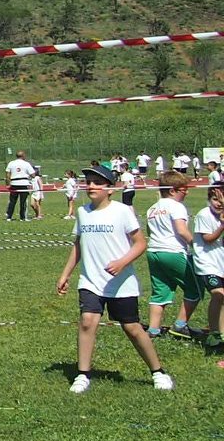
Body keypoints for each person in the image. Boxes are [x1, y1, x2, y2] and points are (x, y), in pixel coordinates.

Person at [55, 164, 174, 393]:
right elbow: (78, 246)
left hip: (121, 284)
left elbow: (141, 243)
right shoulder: (82, 212)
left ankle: (158, 372)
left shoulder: (122, 212)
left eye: (97, 182)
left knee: (132, 328)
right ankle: (82, 375)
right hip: (91, 281)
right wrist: (65, 274)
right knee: (88, 321)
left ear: (110, 189)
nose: (91, 186)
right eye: (88, 181)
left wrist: (122, 262)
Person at [143, 172, 199, 339]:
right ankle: (180, 325)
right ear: (173, 191)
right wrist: (197, 247)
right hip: (173, 252)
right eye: (184, 189)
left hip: (154, 252)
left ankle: (153, 330)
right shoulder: (176, 206)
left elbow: (149, 231)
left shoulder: (152, 208)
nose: (187, 192)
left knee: (160, 291)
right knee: (195, 288)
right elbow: (182, 230)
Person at [190, 186, 224, 356]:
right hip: (206, 263)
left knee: (221, 299)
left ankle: (219, 333)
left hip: (220, 264)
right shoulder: (204, 215)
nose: (218, 204)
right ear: (209, 200)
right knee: (219, 294)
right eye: (215, 200)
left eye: (222, 200)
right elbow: (208, 239)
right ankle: (214, 334)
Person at [6, 150, 35, 221]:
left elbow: (7, 174)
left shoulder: (11, 163)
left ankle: (9, 217)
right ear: (23, 156)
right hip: (24, 184)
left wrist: (8, 184)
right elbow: (33, 175)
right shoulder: (26, 164)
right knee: (23, 201)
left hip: (14, 184)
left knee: (12, 201)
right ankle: (23, 217)